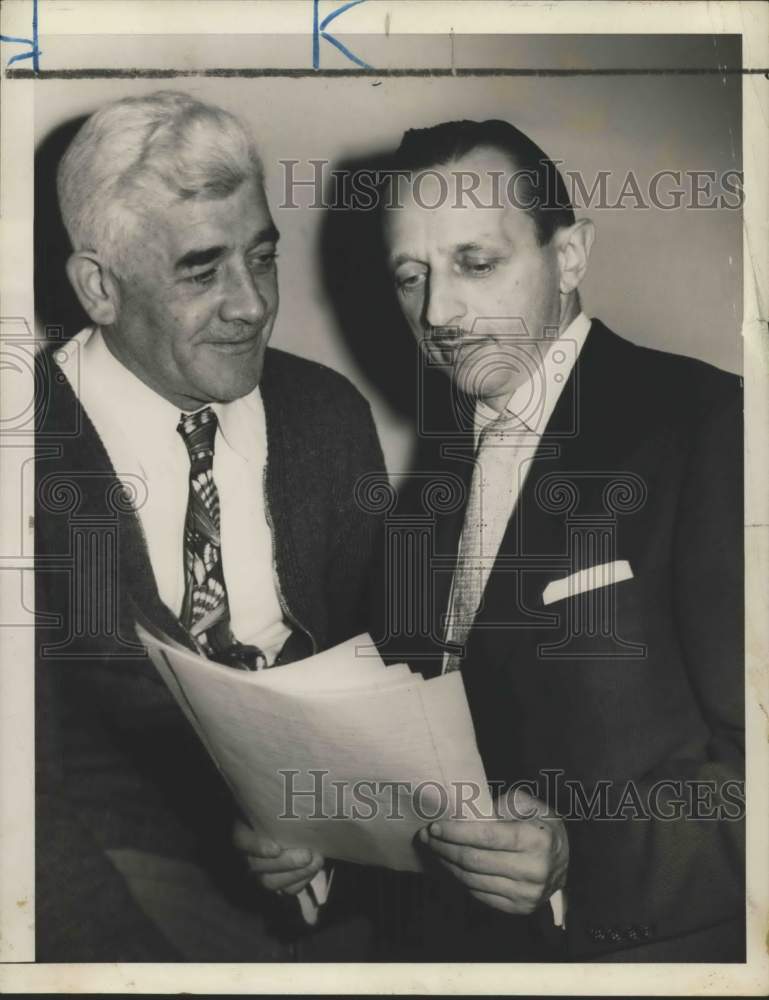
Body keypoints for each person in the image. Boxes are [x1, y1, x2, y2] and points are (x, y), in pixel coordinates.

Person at [374, 119, 744, 962]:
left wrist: (581, 857)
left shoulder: (711, 426)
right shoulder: (431, 484)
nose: (437, 312)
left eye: (475, 262)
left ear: (570, 256)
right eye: (410, 277)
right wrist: (315, 836)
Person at [35, 90, 386, 962]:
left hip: (353, 874)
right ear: (99, 288)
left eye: (260, 259)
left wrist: (332, 813)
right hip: (114, 889)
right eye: (202, 270)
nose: (253, 305)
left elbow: (389, 664)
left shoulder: (326, 414)